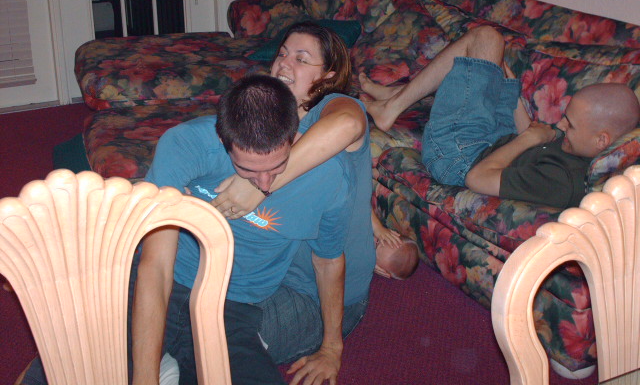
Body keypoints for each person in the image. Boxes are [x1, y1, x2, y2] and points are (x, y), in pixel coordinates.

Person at [136, 74, 354, 385]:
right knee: (79, 366)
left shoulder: (330, 177)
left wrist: (332, 348)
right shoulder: (185, 144)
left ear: (293, 137)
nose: (264, 184)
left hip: (233, 306)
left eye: (277, 167)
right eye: (247, 169)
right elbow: (156, 265)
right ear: (222, 140)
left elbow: (329, 261)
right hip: (170, 280)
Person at [211, 21, 379, 373]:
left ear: (328, 76)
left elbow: (348, 124)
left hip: (318, 294)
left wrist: (259, 184)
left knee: (213, 337)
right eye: (283, 54)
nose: (284, 63)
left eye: (302, 59)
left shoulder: (336, 106)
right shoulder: (274, 116)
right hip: (271, 269)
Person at [360, 25, 640, 209]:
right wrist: (507, 87)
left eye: (571, 124)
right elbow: (530, 136)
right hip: (500, 137)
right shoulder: (580, 145)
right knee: (490, 52)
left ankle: (392, 105)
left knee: (485, 38)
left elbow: (477, 178)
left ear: (602, 140)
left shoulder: (562, 181)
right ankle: (396, 96)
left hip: (460, 156)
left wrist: (529, 138)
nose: (561, 124)